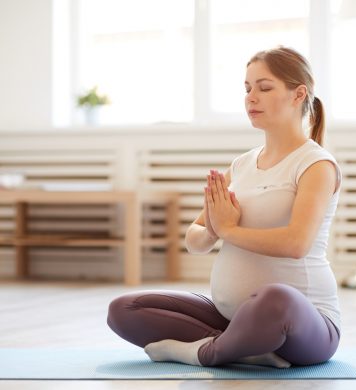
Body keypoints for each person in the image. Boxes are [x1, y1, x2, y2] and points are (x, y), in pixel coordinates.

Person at [107, 46, 342, 368]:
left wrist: (229, 229)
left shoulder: (315, 164)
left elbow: (296, 244)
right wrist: (214, 229)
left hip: (302, 324)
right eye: (247, 89)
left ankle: (202, 353)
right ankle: (247, 346)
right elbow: (195, 238)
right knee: (125, 308)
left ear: (298, 94)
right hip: (229, 316)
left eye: (264, 87)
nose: (251, 97)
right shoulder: (242, 164)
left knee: (276, 299)